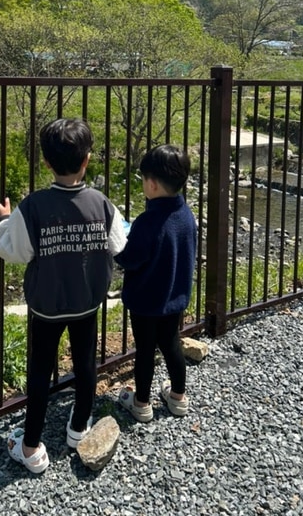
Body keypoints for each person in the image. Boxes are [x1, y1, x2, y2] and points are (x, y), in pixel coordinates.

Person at [0, 118, 127, 473]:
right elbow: (118, 245)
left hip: (47, 305)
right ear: (87, 161)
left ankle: (32, 447)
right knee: (85, 365)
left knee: (40, 371)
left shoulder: (32, 207)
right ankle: (78, 428)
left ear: (46, 162)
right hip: (87, 302)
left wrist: (1, 222)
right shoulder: (101, 203)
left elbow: (15, 251)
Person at [114, 144, 197, 422]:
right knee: (172, 344)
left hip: (146, 301)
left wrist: (117, 246)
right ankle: (178, 397)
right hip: (174, 297)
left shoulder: (148, 222)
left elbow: (130, 259)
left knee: (146, 351)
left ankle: (141, 403)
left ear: (151, 184)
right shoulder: (186, 216)